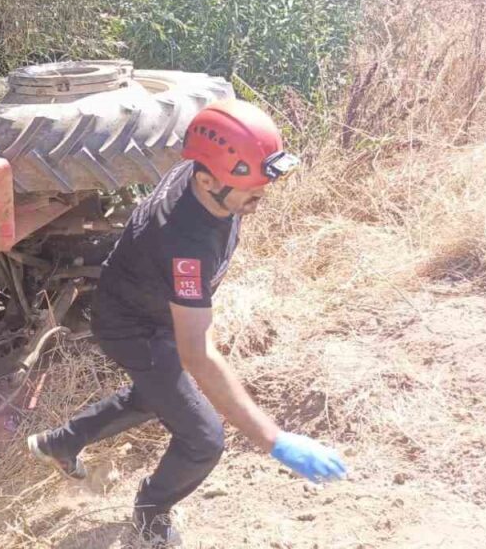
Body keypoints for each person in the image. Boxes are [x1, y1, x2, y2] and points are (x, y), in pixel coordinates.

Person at [26, 99, 348, 545]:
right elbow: (198, 353)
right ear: (206, 180)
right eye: (250, 188)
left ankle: (62, 441)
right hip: (135, 330)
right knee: (204, 438)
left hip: (144, 308)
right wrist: (274, 440)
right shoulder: (186, 243)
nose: (261, 196)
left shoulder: (202, 178)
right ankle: (150, 512)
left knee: (156, 396)